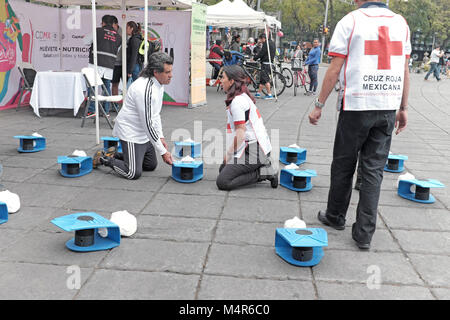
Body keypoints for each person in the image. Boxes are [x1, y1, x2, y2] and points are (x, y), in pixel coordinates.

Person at [308, 0, 411, 250]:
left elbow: (334, 68)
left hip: (355, 105)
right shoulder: (400, 23)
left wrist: (318, 105)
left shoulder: (351, 21)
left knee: (344, 164)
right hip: (387, 106)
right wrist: (403, 108)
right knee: (373, 171)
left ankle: (335, 216)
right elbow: (404, 69)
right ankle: (364, 234)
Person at [93, 52, 174, 179]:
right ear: (155, 72)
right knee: (132, 173)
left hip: (143, 133)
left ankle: (116, 155)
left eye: (171, 71)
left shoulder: (159, 85)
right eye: (167, 72)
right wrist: (163, 152)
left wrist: (161, 137)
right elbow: (147, 123)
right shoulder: (144, 89)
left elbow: (155, 115)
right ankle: (105, 159)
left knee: (150, 165)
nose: (171, 75)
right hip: (131, 132)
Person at [216, 65, 278, 191]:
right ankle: (261, 165)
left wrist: (228, 155)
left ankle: (265, 172)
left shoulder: (237, 102)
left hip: (255, 150)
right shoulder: (242, 95)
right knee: (222, 169)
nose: (220, 81)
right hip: (256, 147)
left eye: (222, 78)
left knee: (223, 181)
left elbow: (240, 135)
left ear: (232, 81)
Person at [84, 15, 122, 116]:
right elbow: (117, 50)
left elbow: (85, 41)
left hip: (96, 63)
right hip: (109, 65)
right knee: (106, 87)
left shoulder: (97, 31)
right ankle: (105, 111)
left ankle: (92, 110)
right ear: (113, 24)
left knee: (92, 86)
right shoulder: (118, 37)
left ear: (103, 23)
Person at [253, 33, 276, 100]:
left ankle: (269, 94)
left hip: (266, 63)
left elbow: (262, 53)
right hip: (270, 62)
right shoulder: (272, 42)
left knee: (265, 79)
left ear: (263, 38)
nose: (260, 41)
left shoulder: (266, 43)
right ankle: (258, 93)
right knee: (262, 80)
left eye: (260, 39)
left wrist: (255, 58)